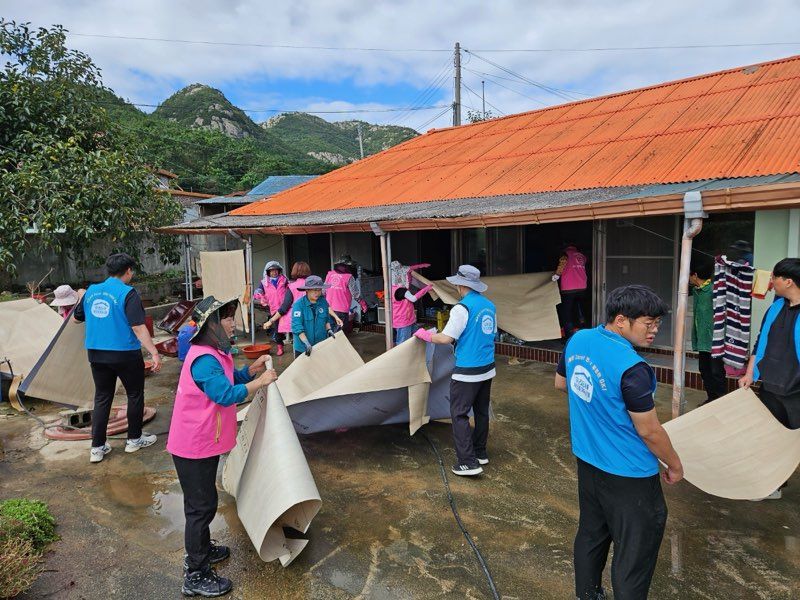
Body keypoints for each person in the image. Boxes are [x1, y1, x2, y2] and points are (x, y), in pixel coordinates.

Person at [554, 285, 683, 600]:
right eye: (648, 324)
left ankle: (588, 594)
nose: (654, 331)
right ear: (622, 319)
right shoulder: (632, 367)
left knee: (591, 535)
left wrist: (598, 406)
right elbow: (650, 431)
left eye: (657, 325)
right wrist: (675, 464)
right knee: (634, 554)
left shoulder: (579, 339)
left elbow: (561, 383)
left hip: (588, 462)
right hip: (630, 475)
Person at [167, 296, 277, 597]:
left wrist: (251, 371)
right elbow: (226, 394)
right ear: (210, 327)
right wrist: (262, 382)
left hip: (202, 442)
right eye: (225, 319)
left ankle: (202, 550)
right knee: (200, 508)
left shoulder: (213, 354)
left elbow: (230, 378)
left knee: (205, 502)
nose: (231, 323)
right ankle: (196, 573)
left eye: (230, 317)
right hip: (192, 445)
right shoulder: (203, 360)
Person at [73, 253, 162, 464]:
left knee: (102, 397)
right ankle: (134, 440)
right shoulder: (128, 293)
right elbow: (138, 327)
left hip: (96, 353)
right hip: (124, 354)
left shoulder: (92, 291)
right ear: (128, 271)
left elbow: (77, 320)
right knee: (134, 394)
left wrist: (81, 299)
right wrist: (154, 352)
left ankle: (97, 448)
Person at [414, 265, 496, 477]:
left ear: (461, 285)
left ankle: (468, 463)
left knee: (459, 414)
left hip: (467, 370)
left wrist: (426, 336)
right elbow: (490, 333)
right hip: (487, 368)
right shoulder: (489, 306)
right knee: (480, 412)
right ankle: (480, 452)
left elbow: (446, 338)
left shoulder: (462, 308)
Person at [739, 257, 800, 500]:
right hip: (771, 385)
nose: (770, 282)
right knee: (770, 437)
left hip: (796, 389)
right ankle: (771, 484)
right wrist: (749, 373)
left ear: (788, 281)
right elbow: (759, 342)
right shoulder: (775, 307)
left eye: (774, 277)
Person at [690, 256, 727, 403]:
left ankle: (721, 402)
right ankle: (711, 398)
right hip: (703, 340)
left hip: (714, 340)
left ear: (695, 275)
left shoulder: (713, 290)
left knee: (717, 372)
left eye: (690, 274)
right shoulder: (697, 290)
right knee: (704, 371)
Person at [292, 275, 337, 358]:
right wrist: (306, 342)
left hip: (320, 345)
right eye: (314, 290)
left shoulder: (323, 302)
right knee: (303, 370)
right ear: (307, 290)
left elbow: (326, 320)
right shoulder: (298, 305)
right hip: (303, 347)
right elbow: (297, 327)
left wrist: (329, 330)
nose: (318, 293)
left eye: (319, 290)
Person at [253, 261, 289, 355]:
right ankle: (280, 347)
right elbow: (259, 290)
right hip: (274, 308)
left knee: (289, 325)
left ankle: (292, 341)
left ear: (279, 271)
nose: (274, 272)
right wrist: (258, 293)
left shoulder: (284, 280)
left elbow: (290, 288)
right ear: (268, 272)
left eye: (276, 270)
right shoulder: (264, 282)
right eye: (272, 271)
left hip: (286, 307)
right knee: (277, 328)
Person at [325, 256, 367, 335]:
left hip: (328, 309)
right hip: (341, 311)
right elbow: (355, 294)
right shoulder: (349, 277)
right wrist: (363, 304)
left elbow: (324, 291)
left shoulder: (330, 274)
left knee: (330, 333)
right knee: (339, 334)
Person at [553, 244, 588, 339]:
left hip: (569, 288)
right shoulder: (581, 255)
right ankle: (582, 329)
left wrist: (557, 275)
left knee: (566, 312)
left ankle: (569, 335)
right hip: (582, 286)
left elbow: (562, 264)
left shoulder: (565, 254)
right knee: (579, 308)